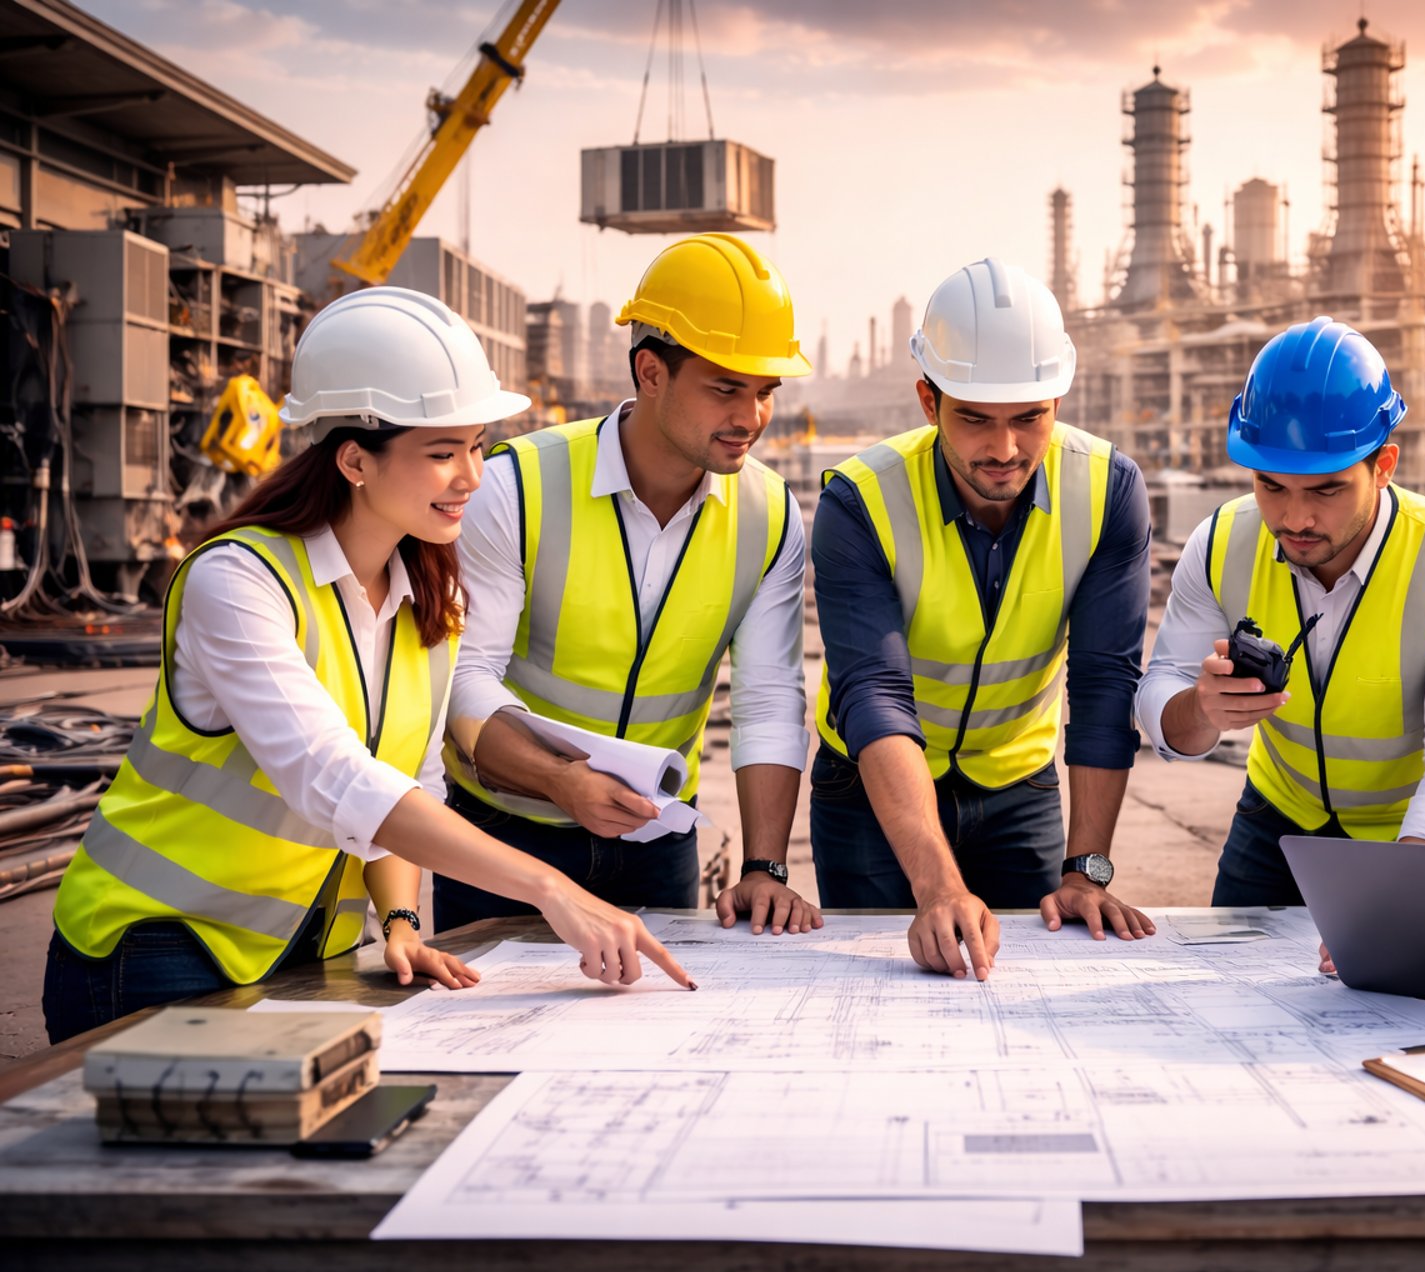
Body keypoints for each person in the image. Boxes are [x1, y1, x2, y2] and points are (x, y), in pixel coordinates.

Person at [43, 287, 691, 1044]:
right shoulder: (239, 581)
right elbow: (332, 775)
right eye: (442, 453)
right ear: (354, 458)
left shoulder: (430, 603)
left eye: (477, 445)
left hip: (302, 953)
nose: (472, 477)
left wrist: (403, 919)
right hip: (154, 946)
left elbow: (409, 783)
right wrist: (550, 888)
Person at [438, 234, 820, 938]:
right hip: (504, 837)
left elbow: (768, 698)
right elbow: (463, 680)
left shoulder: (769, 516)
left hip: (657, 845)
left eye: (766, 391)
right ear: (650, 372)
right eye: (725, 388)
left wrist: (766, 866)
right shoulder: (516, 486)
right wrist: (559, 781)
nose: (751, 418)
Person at [810, 258, 1154, 981]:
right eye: (975, 419)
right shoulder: (860, 499)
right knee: (876, 994)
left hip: (1017, 790)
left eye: (1028, 419)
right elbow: (873, 690)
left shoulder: (1108, 490)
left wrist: (1087, 870)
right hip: (871, 792)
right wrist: (936, 885)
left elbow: (1103, 685)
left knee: (1028, 991)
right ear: (927, 400)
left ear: (1058, 400)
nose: (1003, 450)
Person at [1137, 317, 1425, 921]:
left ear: (1385, 464)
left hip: (1422, 834)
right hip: (1278, 824)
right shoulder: (1219, 543)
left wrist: (1401, 891)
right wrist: (1200, 709)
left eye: (1325, 491)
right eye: (1271, 487)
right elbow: (1161, 692)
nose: (1295, 519)